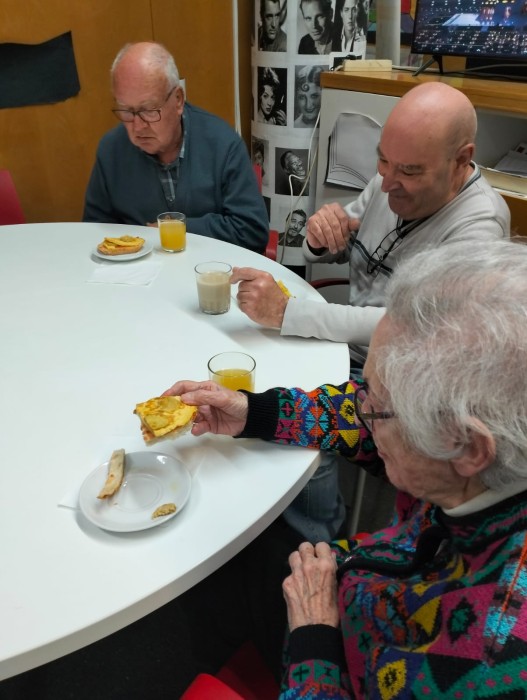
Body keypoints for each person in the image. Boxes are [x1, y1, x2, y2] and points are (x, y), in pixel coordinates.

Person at [165, 236, 527, 697]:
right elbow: (360, 420)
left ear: (468, 447)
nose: (361, 409)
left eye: (376, 403)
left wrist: (313, 634)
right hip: (367, 576)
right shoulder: (483, 463)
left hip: (339, 652)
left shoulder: (491, 660)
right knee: (235, 548)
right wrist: (252, 411)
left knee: (220, 560)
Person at [232, 82, 510, 369]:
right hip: (344, 349)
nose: (386, 184)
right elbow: (338, 248)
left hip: (394, 375)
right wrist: (320, 237)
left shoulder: (481, 226)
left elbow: (410, 324)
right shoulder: (387, 179)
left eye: (409, 171)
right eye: (383, 160)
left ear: (461, 160)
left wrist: (288, 313)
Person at [83, 42, 268, 253]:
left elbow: (253, 231)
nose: (138, 126)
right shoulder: (111, 150)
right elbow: (93, 232)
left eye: (149, 110)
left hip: (208, 267)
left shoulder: (223, 144)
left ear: (178, 100)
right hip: (137, 270)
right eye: (126, 111)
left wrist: (173, 230)